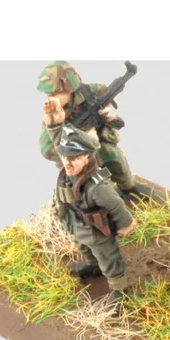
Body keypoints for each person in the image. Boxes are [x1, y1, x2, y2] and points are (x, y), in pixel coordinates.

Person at [38, 60, 148, 198]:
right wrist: (79, 142)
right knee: (89, 186)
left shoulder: (87, 91)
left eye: (55, 94)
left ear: (70, 88)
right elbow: (46, 149)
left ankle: (128, 188)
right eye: (48, 95)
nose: (50, 99)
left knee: (116, 160)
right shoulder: (52, 117)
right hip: (77, 159)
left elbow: (104, 91)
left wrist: (106, 110)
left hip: (99, 142)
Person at [54, 123, 137, 303]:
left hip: (96, 231)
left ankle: (120, 290)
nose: (67, 162)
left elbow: (116, 204)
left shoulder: (97, 186)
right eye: (65, 156)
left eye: (73, 158)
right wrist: (59, 211)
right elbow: (61, 193)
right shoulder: (67, 174)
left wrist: (126, 224)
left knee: (108, 258)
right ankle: (92, 266)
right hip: (76, 224)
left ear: (86, 156)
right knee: (84, 247)